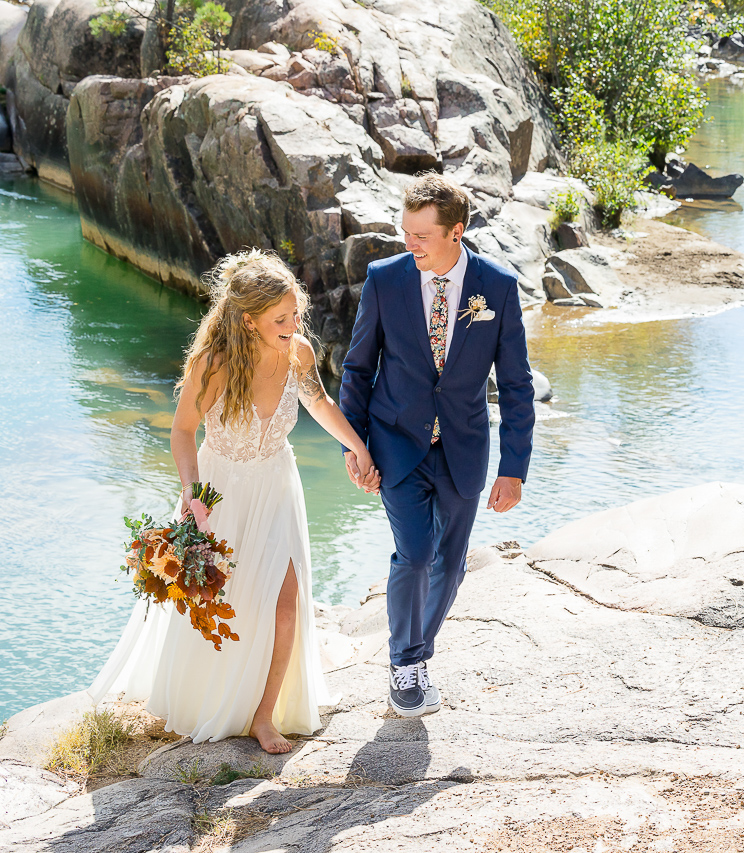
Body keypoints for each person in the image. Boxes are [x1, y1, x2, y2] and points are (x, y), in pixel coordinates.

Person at [89, 249, 380, 754]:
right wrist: (189, 490)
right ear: (249, 321)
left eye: (295, 315)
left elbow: (319, 403)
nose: (293, 326)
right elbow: (182, 431)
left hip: (276, 486)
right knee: (227, 601)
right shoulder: (215, 363)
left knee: (285, 597)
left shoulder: (300, 355)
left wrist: (358, 448)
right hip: (219, 490)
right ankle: (216, 697)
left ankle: (265, 716)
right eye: (281, 319)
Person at [340, 172, 534, 717]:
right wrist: (354, 447)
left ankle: (417, 654)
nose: (410, 244)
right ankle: (405, 664)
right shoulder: (385, 279)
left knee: (451, 563)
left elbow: (516, 384)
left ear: (458, 230)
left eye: (422, 235)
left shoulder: (496, 287)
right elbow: (357, 370)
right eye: (406, 232)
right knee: (416, 553)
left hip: (464, 448)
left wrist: (513, 468)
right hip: (395, 443)